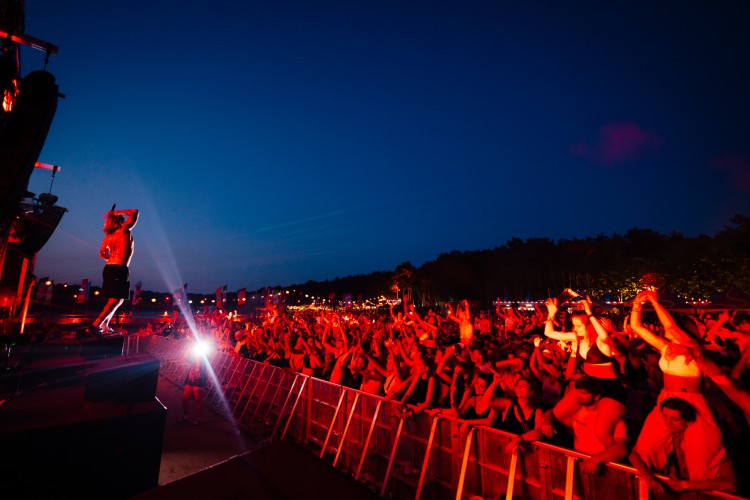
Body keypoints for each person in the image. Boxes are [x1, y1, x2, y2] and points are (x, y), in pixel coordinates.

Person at [629, 397, 736, 494]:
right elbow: (634, 455)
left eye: (674, 419)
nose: (668, 422)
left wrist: (684, 485)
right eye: (665, 417)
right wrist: (647, 477)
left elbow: (730, 485)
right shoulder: (664, 438)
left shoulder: (708, 443)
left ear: (688, 421)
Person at [92, 206, 139, 335]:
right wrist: (116, 212)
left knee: (119, 299)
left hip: (109, 268)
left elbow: (102, 254)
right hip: (119, 269)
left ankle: (105, 324)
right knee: (115, 300)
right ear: (120, 221)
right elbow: (135, 212)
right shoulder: (124, 230)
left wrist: (109, 256)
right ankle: (96, 324)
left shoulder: (108, 237)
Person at [180, 349, 208, 425]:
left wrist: (200, 355)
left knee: (198, 400)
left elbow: (202, 365)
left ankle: (198, 419)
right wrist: (189, 350)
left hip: (199, 379)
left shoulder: (204, 358)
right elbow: (186, 358)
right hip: (190, 379)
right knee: (184, 399)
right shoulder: (192, 356)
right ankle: (186, 416)